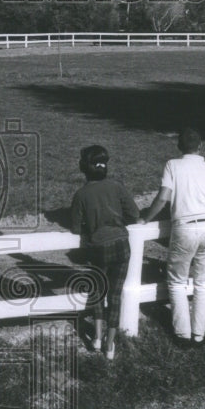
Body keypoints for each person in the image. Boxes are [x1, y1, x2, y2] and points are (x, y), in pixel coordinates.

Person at [138, 128, 205, 346]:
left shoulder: (173, 165)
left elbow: (162, 199)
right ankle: (199, 334)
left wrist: (145, 219)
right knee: (204, 283)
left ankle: (182, 334)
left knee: (177, 282)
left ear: (179, 147)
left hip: (185, 228)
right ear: (201, 147)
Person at [69, 145, 140, 359]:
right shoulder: (117, 187)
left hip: (98, 247)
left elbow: (74, 228)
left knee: (98, 292)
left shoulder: (81, 194)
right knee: (115, 295)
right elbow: (135, 214)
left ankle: (97, 338)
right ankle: (110, 345)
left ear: (84, 168)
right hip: (121, 245)